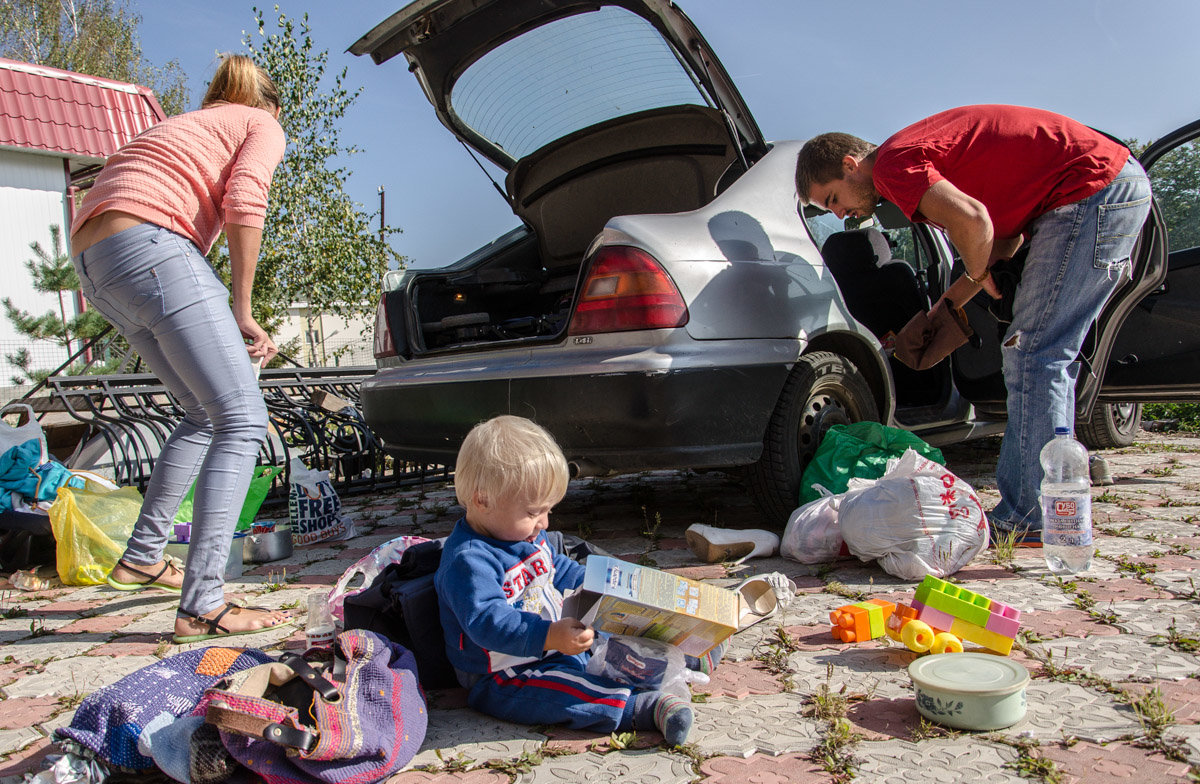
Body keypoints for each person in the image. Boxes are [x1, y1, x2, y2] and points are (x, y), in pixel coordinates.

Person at [795, 105, 1152, 544]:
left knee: (1036, 356)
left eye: (832, 199)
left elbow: (973, 222)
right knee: (1037, 355)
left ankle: (1030, 514)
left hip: (1091, 191)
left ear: (850, 166)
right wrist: (939, 313)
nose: (841, 215)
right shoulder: (910, 157)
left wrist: (980, 274)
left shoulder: (890, 166)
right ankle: (1036, 509)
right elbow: (1000, 239)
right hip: (1099, 188)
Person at [69, 54, 291, 642]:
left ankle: (143, 555)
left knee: (202, 414)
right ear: (267, 104)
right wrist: (242, 310)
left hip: (97, 262)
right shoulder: (261, 123)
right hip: (150, 247)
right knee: (243, 420)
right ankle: (203, 604)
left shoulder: (186, 125)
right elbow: (247, 200)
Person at [434, 415, 724, 744]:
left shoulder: (525, 536)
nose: (543, 522)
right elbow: (486, 622)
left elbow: (558, 568)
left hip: (557, 640)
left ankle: (689, 655)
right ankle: (645, 708)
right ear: (482, 499)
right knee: (562, 689)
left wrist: (603, 585)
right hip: (503, 672)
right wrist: (547, 636)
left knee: (612, 647)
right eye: (533, 512)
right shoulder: (469, 559)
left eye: (548, 510)